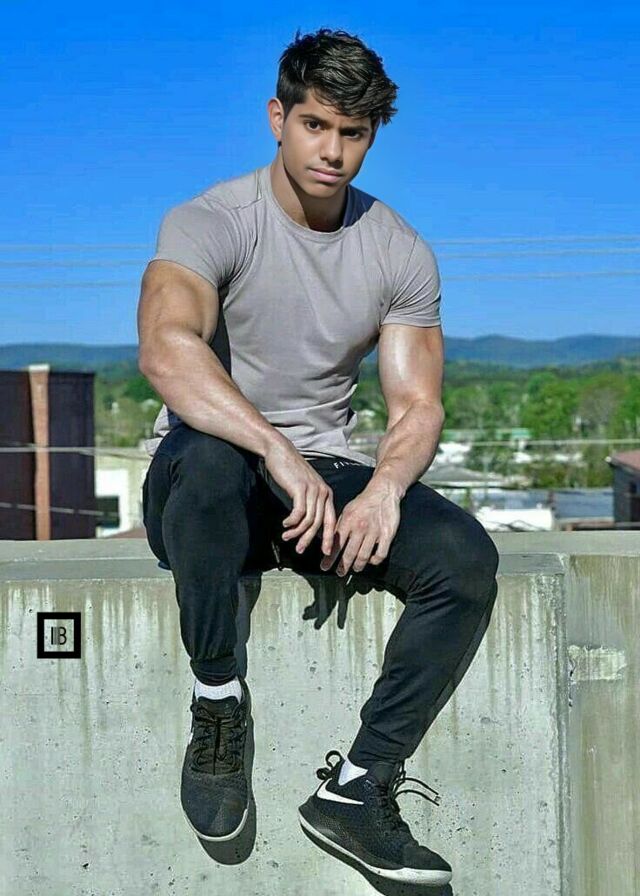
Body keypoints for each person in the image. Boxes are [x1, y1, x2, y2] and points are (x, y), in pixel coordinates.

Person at [138, 27, 499, 887]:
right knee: (215, 459)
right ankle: (218, 705)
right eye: (315, 126)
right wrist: (272, 446)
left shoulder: (398, 248)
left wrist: (385, 488)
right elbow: (166, 348)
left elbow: (417, 405)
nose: (332, 151)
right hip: (208, 482)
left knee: (463, 558)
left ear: (372, 136)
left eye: (353, 132)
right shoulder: (210, 221)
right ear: (278, 118)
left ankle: (359, 788)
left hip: (321, 484)